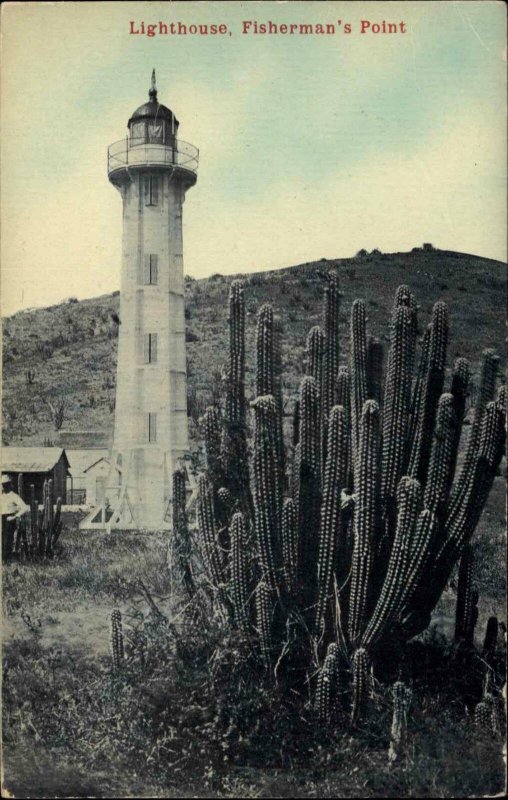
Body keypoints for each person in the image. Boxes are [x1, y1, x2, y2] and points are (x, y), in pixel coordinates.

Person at [2, 474, 29, 562]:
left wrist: (14, 517)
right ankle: (3, 560)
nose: (4, 486)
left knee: (7, 540)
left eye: (6, 484)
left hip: (9, 519)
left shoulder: (14, 496)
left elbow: (24, 507)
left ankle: (7, 560)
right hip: (1, 519)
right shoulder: (2, 496)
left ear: (10, 484)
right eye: (3, 484)